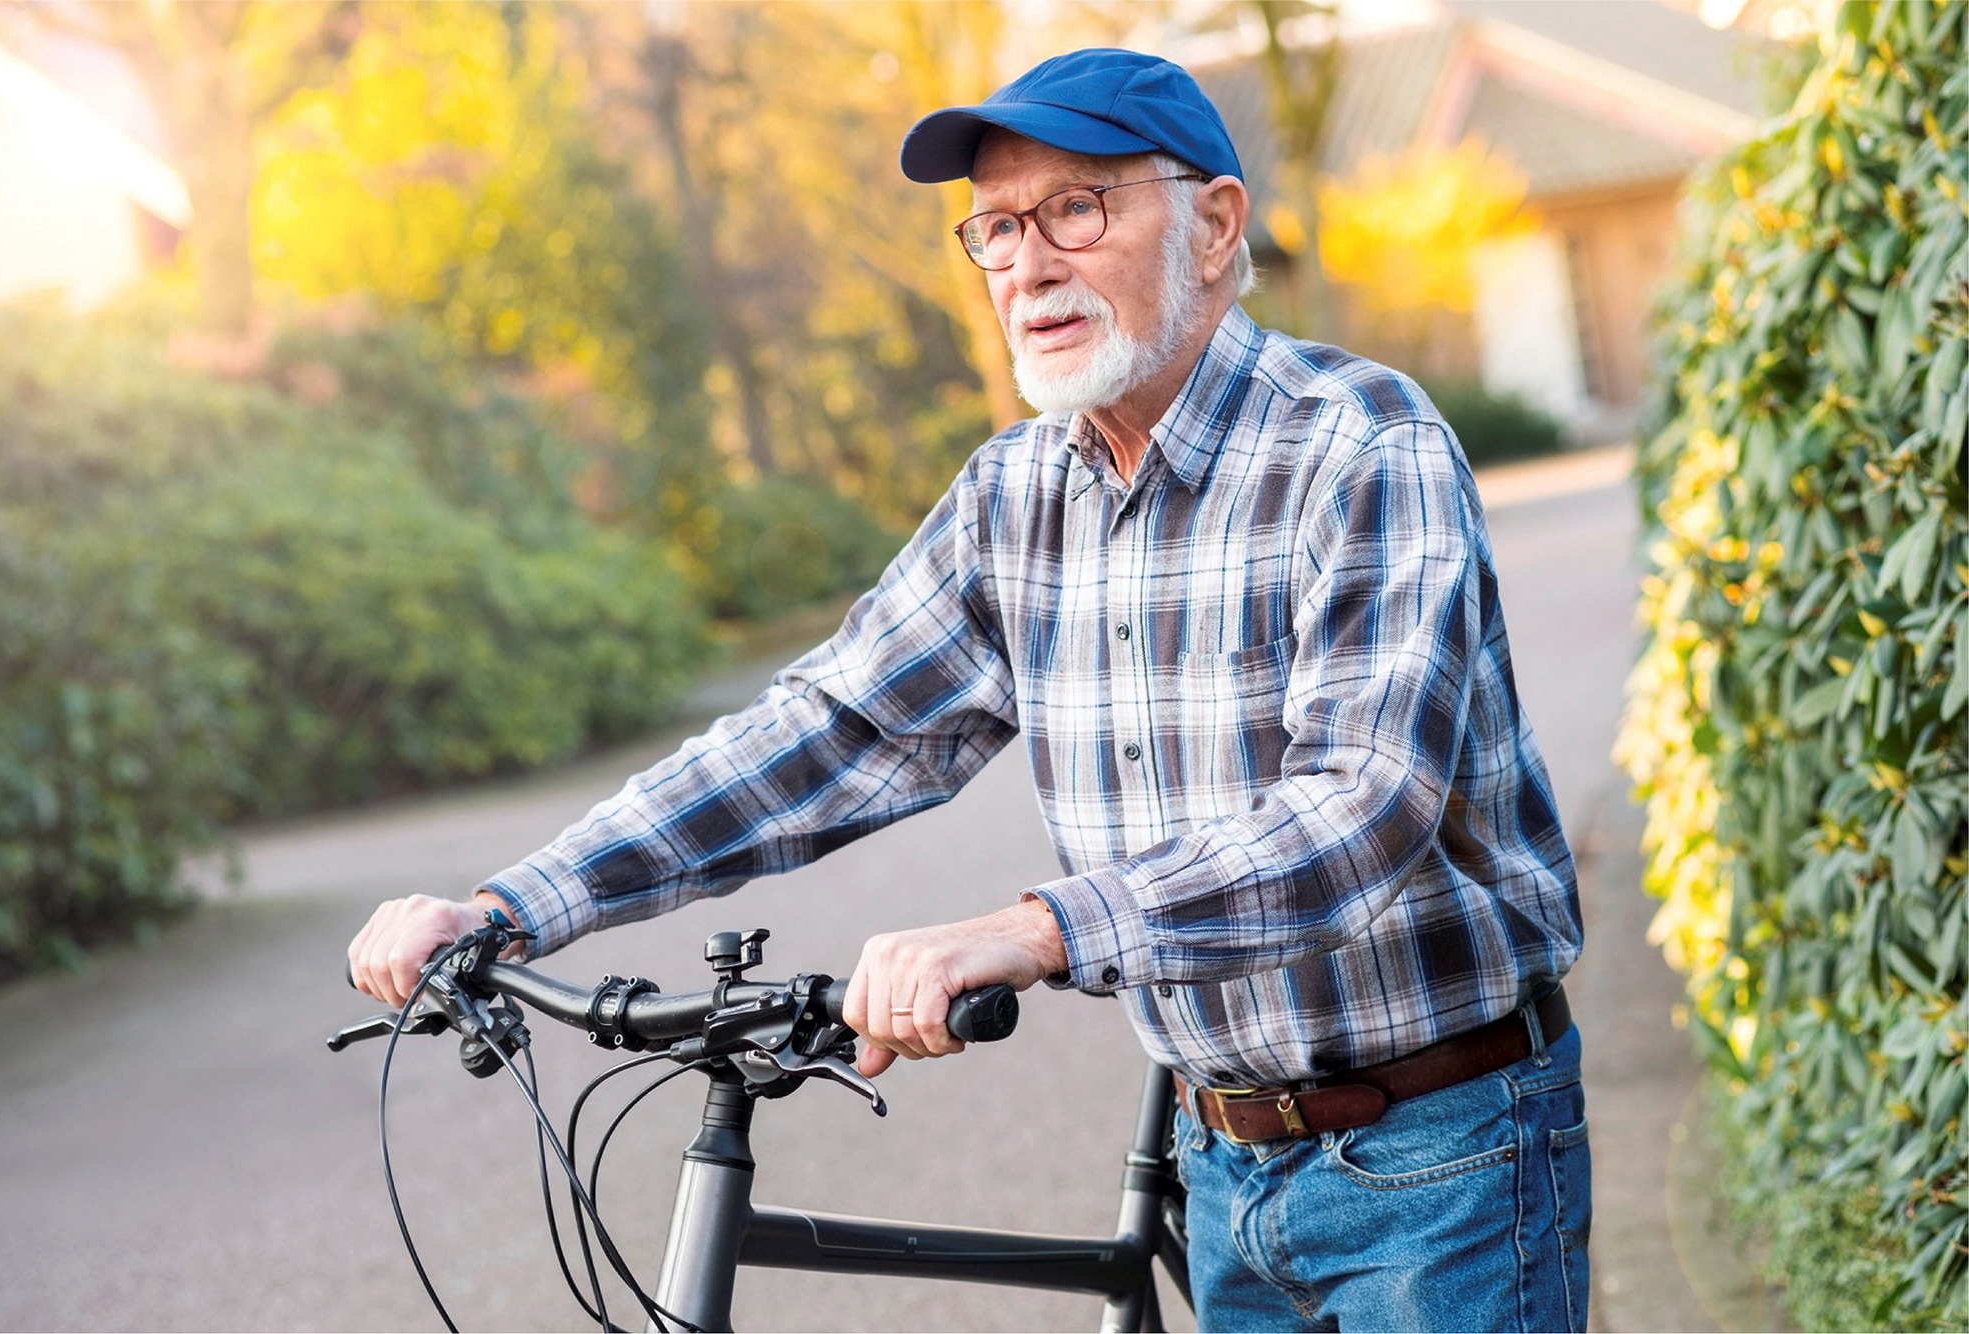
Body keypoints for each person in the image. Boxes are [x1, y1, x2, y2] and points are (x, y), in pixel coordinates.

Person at [349, 47, 1589, 1333]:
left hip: (1443, 1151)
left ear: (1215, 224)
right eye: (995, 227)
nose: (1027, 264)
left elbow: (1362, 807)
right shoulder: (1013, 497)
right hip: (1223, 1157)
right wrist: (509, 904)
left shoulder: (1361, 444)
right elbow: (824, 733)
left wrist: (1031, 928)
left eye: (1074, 209)